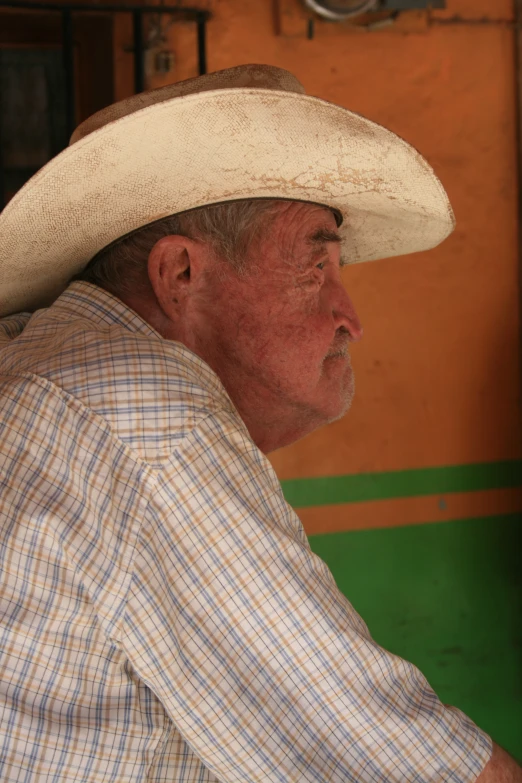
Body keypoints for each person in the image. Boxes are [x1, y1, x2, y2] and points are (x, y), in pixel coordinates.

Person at [0, 64, 519, 782]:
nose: (350, 318)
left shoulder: (45, 361)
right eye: (315, 269)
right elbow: (392, 757)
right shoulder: (143, 411)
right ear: (180, 274)